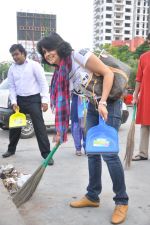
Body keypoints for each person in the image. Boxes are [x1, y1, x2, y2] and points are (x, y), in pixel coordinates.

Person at [37, 33, 129, 224]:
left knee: (109, 153)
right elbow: (66, 101)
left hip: (108, 103)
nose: (47, 54)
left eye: (49, 49)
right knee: (92, 152)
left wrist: (103, 102)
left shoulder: (78, 55)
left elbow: (108, 73)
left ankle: (122, 201)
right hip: (92, 105)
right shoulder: (62, 71)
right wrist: (61, 130)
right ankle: (92, 196)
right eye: (44, 52)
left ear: (59, 45)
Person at [2, 44, 54, 166]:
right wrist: (14, 102)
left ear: (23, 53)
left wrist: (45, 100)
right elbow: (12, 87)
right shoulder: (12, 69)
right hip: (19, 100)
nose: (15, 57)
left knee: (39, 127)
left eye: (16, 54)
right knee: (15, 126)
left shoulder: (34, 66)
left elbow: (43, 83)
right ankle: (11, 150)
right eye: (13, 55)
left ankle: (46, 154)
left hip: (33, 99)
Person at [132, 50, 150, 161]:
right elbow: (139, 78)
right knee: (145, 124)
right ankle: (143, 153)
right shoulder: (144, 57)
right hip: (146, 94)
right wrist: (135, 95)